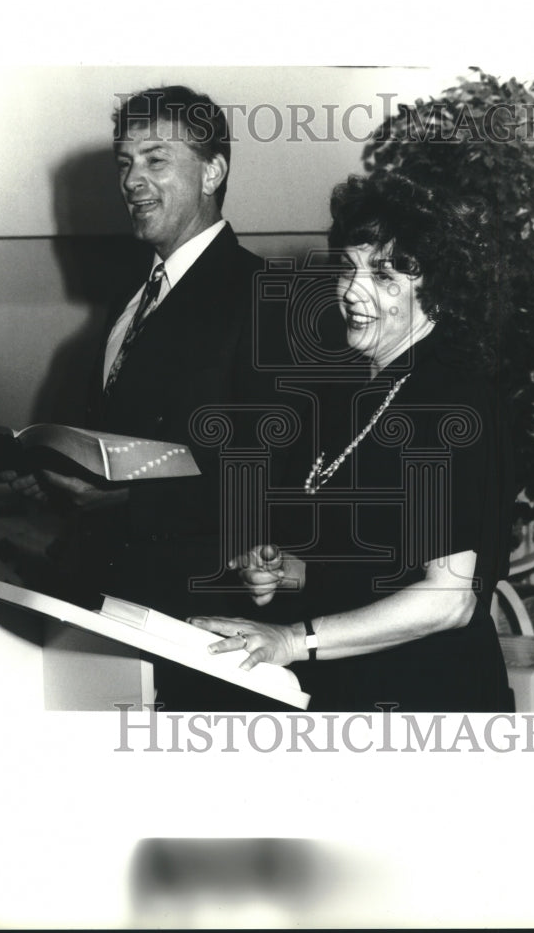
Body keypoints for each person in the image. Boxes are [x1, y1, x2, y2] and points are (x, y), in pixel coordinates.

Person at [0, 85, 298, 710]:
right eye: (124, 162)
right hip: (108, 610)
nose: (133, 179)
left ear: (212, 171)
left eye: (157, 159)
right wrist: (54, 475)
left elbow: (275, 476)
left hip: (204, 624)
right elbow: (114, 444)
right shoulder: (129, 302)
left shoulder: (265, 297)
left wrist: (121, 503)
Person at [192, 170, 516, 712]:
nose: (351, 290)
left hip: (429, 704)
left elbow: (449, 599)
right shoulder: (353, 388)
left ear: (438, 291)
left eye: (385, 275)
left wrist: (294, 639)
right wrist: (290, 571)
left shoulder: (453, 397)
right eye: (349, 266)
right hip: (351, 692)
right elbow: (375, 565)